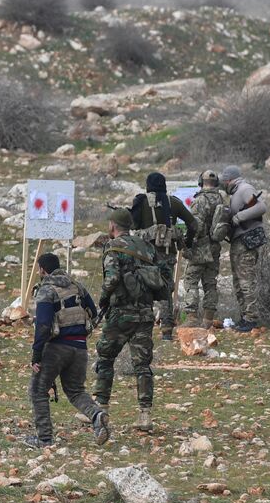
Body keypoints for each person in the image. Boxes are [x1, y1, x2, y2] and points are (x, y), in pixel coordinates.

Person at [28, 252, 110, 449]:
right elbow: (93, 310)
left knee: (38, 390)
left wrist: (36, 355)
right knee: (75, 390)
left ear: (42, 270)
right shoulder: (76, 286)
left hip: (56, 348)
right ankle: (97, 415)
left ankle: (45, 439)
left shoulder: (46, 290)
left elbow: (44, 325)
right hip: (80, 348)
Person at [94, 208, 158, 433]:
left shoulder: (112, 247)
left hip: (120, 314)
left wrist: (102, 301)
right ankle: (145, 414)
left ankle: (100, 409)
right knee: (142, 364)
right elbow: (162, 276)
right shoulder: (146, 246)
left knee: (105, 357)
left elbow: (111, 279)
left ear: (113, 226)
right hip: (145, 314)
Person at [129, 172, 197, 339]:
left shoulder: (141, 202)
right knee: (165, 291)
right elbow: (192, 223)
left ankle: (143, 328)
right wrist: (187, 241)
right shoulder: (173, 202)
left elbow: (133, 224)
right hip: (167, 254)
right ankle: (167, 330)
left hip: (145, 255)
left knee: (143, 289)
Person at [222, 165, 268, 333]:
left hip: (246, 242)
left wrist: (238, 217)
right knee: (238, 282)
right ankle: (244, 317)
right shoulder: (236, 192)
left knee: (246, 281)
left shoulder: (244, 189)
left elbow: (261, 207)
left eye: (224, 182)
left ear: (229, 180)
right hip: (239, 242)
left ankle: (251, 319)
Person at [181, 170, 229, 328]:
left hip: (200, 247)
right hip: (215, 246)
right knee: (210, 283)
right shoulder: (221, 198)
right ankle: (208, 319)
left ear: (201, 181)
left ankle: (192, 317)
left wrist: (187, 244)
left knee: (191, 281)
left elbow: (196, 226)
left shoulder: (200, 200)